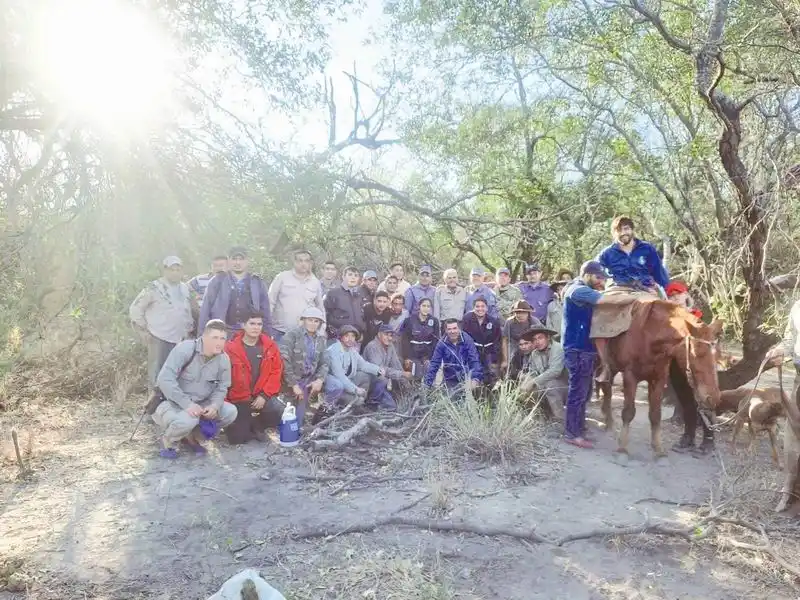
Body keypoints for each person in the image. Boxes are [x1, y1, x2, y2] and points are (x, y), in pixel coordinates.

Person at [561, 261, 638, 449]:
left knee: (583, 392)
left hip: (584, 349)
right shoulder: (577, 290)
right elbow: (607, 300)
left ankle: (578, 428)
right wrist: (634, 298)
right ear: (587, 274)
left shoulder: (582, 289)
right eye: (598, 277)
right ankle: (572, 434)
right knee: (577, 392)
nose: (600, 281)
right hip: (577, 349)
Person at [153, 319, 237, 458]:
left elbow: (222, 387)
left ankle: (192, 438)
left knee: (230, 411)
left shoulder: (223, 359)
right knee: (188, 420)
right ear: (204, 337)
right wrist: (187, 404)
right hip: (172, 403)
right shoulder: (185, 349)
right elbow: (164, 379)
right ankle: (169, 440)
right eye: (214, 337)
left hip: (201, 404)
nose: (219, 342)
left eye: (223, 338)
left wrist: (214, 406)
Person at [129, 255, 196, 390]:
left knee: (178, 373)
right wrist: (142, 330)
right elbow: (135, 309)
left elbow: (190, 309)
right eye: (172, 269)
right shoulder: (154, 287)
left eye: (178, 269)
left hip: (181, 338)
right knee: (157, 373)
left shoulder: (185, 288)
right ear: (164, 270)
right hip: (159, 337)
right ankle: (153, 407)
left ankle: (172, 405)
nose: (175, 272)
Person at [223, 313, 284, 444]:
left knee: (278, 409)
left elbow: (276, 372)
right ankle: (249, 424)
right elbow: (223, 376)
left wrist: (264, 395)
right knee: (237, 439)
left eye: (259, 324)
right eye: (252, 324)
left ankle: (259, 425)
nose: (256, 327)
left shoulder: (270, 346)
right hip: (239, 397)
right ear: (243, 325)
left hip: (261, 395)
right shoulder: (230, 348)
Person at [199, 246, 272, 335]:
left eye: (241, 259)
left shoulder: (257, 282)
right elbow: (205, 310)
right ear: (229, 261)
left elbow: (265, 311)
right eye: (234, 259)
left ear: (247, 261)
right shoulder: (217, 281)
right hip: (223, 333)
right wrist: (202, 335)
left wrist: (267, 334)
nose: (238, 262)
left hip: (249, 334)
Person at [319, 326, 386, 420]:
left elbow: (363, 365)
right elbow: (339, 376)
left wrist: (378, 369)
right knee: (354, 399)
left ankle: (359, 402)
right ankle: (336, 407)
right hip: (334, 386)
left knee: (365, 375)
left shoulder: (351, 350)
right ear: (341, 337)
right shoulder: (333, 350)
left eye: (353, 336)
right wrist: (355, 389)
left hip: (347, 383)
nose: (350, 339)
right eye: (347, 336)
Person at [278, 307, 328, 427]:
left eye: (316, 321)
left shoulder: (321, 340)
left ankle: (320, 415)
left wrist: (320, 380)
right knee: (291, 420)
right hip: (291, 381)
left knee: (335, 386)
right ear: (304, 320)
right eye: (310, 320)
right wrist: (294, 384)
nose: (313, 324)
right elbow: (284, 361)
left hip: (310, 380)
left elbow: (325, 363)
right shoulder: (291, 335)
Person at [597, 216, 669, 293]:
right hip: (619, 292)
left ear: (632, 230)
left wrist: (667, 291)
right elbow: (593, 271)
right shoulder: (606, 254)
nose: (623, 233)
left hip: (646, 290)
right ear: (613, 233)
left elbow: (658, 272)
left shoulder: (647, 248)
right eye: (619, 230)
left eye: (626, 229)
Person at [508, 326, 567, 420]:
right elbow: (533, 372)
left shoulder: (557, 348)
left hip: (565, 387)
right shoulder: (534, 353)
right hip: (545, 385)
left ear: (548, 338)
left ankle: (560, 419)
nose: (537, 341)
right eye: (535, 339)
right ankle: (538, 417)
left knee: (550, 385)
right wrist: (526, 380)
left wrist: (532, 382)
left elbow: (555, 371)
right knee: (526, 388)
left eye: (540, 338)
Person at [268, 249, 324, 342]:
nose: (303, 264)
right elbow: (270, 302)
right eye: (300, 260)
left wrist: (321, 329)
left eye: (306, 261)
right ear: (294, 262)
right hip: (281, 332)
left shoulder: (315, 282)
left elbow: (320, 307)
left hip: (305, 333)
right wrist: (266, 327)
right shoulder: (282, 277)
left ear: (310, 263)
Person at [424, 319, 483, 395]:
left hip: (467, 377)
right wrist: (426, 385)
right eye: (449, 329)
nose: (452, 331)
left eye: (455, 328)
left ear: (459, 329)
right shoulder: (441, 343)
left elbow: (474, 360)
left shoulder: (467, 340)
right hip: (450, 379)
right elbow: (434, 364)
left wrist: (475, 379)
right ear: (446, 330)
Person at [363, 324, 412, 410]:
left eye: (391, 335)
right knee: (382, 379)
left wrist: (407, 384)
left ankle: (380, 401)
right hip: (369, 382)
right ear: (379, 334)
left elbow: (396, 365)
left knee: (392, 406)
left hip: (382, 383)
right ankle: (370, 403)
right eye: (386, 334)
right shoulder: (372, 346)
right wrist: (402, 374)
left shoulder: (390, 346)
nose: (389, 338)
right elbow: (380, 370)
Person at [461, 297, 502, 387]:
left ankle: (490, 394)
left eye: (482, 306)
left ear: (487, 308)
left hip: (489, 352)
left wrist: (495, 357)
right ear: (473, 308)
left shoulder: (493, 321)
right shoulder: (467, 319)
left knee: (490, 376)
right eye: (477, 306)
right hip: (473, 351)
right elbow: (463, 338)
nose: (480, 309)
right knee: (474, 376)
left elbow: (497, 340)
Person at [323, 265, 367, 340]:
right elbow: (325, 314)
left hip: (356, 337)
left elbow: (363, 316)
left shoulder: (360, 295)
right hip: (338, 337)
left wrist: (362, 330)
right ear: (343, 277)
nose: (353, 278)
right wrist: (330, 332)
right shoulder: (333, 293)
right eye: (350, 275)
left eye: (356, 276)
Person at [401, 297, 439, 379]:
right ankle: (413, 390)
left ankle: (427, 391)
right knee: (416, 374)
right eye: (424, 306)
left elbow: (435, 341)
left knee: (428, 374)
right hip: (413, 352)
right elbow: (405, 340)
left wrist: (430, 357)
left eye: (428, 306)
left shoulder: (434, 321)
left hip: (427, 353)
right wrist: (407, 357)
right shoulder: (409, 320)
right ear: (419, 306)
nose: (426, 308)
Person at [501, 300, 542, 372]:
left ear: (528, 313)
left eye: (523, 312)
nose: (519, 315)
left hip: (531, 345)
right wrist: (505, 360)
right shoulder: (509, 322)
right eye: (517, 312)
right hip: (515, 345)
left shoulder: (535, 322)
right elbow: (504, 340)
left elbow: (540, 338)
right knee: (511, 363)